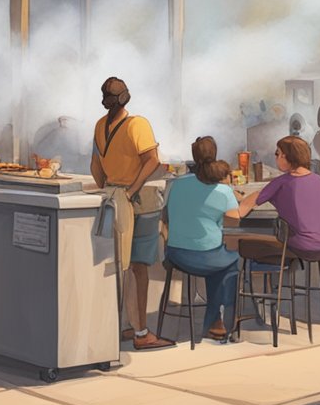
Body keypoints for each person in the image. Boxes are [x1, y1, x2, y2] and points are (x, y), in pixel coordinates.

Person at [89, 77, 170, 350]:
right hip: (140, 203)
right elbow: (153, 160)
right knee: (139, 267)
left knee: (119, 263)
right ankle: (141, 332)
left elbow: (96, 167)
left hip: (111, 199)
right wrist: (132, 188)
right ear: (125, 97)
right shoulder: (138, 124)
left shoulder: (100, 126)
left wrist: (109, 188)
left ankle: (123, 324)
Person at [163, 136, 239, 342]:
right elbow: (235, 219)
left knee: (217, 259)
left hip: (176, 254)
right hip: (207, 257)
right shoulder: (224, 190)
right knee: (229, 260)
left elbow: (165, 218)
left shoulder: (176, 184)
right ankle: (218, 322)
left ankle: (214, 321)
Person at [232, 136, 320, 262]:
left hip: (300, 246)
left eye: (277, 154)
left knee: (246, 243)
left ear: (286, 156)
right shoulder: (318, 180)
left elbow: (243, 209)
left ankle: (270, 279)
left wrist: (237, 201)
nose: (276, 158)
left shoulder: (282, 182)